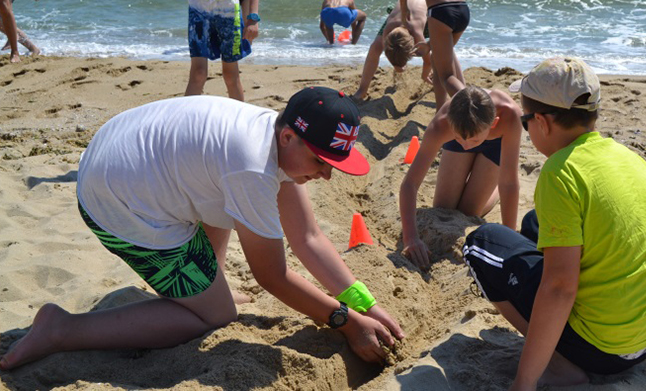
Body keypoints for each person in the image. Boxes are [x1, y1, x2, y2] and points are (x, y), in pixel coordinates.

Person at [0, 87, 405, 371]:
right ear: (288, 136)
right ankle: (62, 329)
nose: (327, 175)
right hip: (117, 205)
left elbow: (308, 238)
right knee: (216, 315)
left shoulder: (272, 136)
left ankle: (206, 283)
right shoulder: (252, 166)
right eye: (321, 162)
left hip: (124, 161)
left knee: (217, 200)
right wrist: (346, 322)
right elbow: (272, 277)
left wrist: (365, 304)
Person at [463, 57, 646, 390]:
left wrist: (523, 383)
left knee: (480, 245)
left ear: (542, 122)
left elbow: (560, 288)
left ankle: (560, 363)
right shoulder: (630, 159)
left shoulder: (561, 172)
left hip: (605, 351)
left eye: (526, 120)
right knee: (535, 224)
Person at [400, 85, 522, 268]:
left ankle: (494, 188)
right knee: (444, 208)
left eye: (472, 141)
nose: (466, 146)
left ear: (494, 123)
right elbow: (410, 183)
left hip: (496, 145)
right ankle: (468, 142)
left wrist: (510, 239)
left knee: (469, 211)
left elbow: (510, 183)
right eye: (459, 139)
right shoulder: (442, 124)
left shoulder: (511, 115)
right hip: (464, 131)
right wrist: (410, 238)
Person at [399, 0, 468, 110]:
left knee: (447, 76)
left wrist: (404, 8)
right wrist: (429, 45)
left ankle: (474, 107)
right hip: (462, 11)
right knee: (439, 62)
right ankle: (440, 111)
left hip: (440, 11)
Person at [353, 0, 432, 100]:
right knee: (374, 48)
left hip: (428, 2)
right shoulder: (389, 28)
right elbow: (387, 49)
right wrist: (397, 65)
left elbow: (428, 61)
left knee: (434, 44)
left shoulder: (417, 32)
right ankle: (362, 90)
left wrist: (425, 75)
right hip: (403, 8)